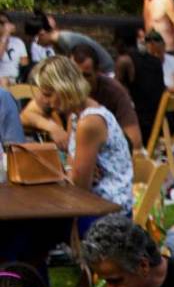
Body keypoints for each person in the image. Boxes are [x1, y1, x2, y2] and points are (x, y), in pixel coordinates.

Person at [39, 58, 133, 217]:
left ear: (64, 88)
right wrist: (72, 171)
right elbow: (71, 166)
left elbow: (79, 188)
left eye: (49, 94)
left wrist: (72, 173)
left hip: (108, 210)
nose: (47, 102)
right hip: (94, 202)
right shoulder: (76, 117)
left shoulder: (89, 122)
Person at [67, 45, 142, 152]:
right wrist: (52, 128)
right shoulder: (62, 88)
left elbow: (135, 141)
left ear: (98, 72)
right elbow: (35, 111)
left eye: (86, 76)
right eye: (75, 76)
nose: (80, 83)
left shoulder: (115, 92)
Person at [18, 63, 68, 148]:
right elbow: (25, 116)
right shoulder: (34, 108)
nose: (48, 100)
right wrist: (51, 127)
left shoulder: (60, 110)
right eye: (46, 94)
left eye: (50, 94)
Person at [0, 12, 27, 83]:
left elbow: (24, 65)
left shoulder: (18, 42)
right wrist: (5, 36)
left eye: (7, 22)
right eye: (2, 23)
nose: (6, 25)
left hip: (16, 81)